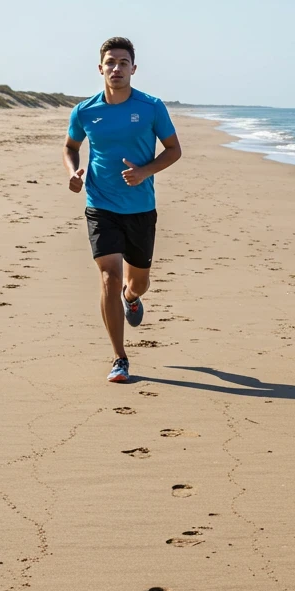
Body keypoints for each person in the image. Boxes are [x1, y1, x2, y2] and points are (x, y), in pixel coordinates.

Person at [63, 37, 181, 382]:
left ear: (133, 68)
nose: (116, 68)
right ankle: (119, 358)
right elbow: (71, 146)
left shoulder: (152, 106)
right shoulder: (85, 110)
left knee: (137, 282)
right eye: (110, 62)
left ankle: (132, 297)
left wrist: (145, 171)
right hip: (100, 204)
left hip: (141, 207)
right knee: (108, 278)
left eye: (123, 62)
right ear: (100, 68)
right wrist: (74, 173)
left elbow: (173, 149)